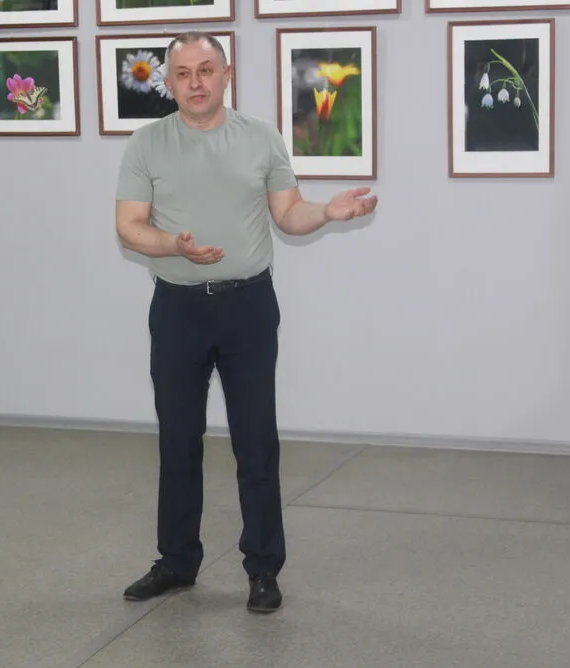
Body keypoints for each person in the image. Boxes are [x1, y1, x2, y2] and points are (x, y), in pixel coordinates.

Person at [113, 31, 377, 614]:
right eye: (184, 74)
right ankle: (177, 561)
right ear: (169, 82)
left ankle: (263, 568)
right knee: (178, 441)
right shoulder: (147, 144)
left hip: (248, 308)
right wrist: (173, 245)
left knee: (256, 443)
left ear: (226, 75)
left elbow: (289, 213)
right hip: (177, 309)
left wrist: (328, 212)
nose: (196, 83)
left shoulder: (261, 137)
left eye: (207, 70)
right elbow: (129, 226)